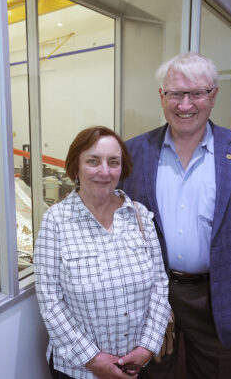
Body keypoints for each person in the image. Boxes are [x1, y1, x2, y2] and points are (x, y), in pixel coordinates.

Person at [119, 52, 231, 378]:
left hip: (220, 293)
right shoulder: (134, 152)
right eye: (176, 94)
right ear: (161, 97)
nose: (185, 105)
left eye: (197, 93)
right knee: (151, 373)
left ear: (213, 95)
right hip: (152, 294)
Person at [35, 126, 171, 379]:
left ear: (123, 168)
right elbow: (49, 300)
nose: (104, 171)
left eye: (113, 162)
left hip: (138, 364)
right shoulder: (56, 222)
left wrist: (147, 347)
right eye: (93, 161)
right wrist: (92, 360)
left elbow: (160, 286)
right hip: (78, 369)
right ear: (75, 167)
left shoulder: (139, 215)